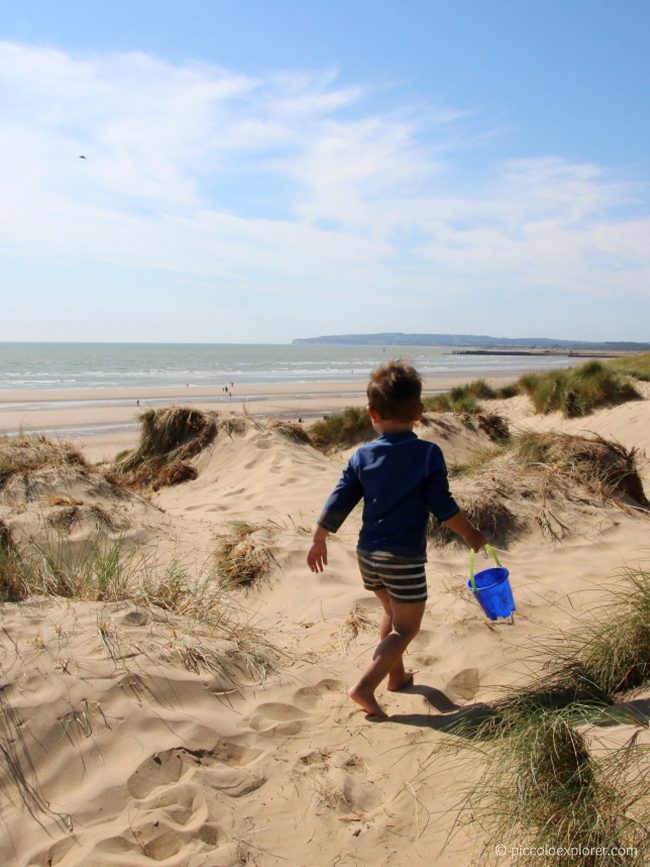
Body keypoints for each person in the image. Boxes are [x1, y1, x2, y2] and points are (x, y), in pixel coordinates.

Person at [306, 359, 487, 717]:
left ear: (372, 412)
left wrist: (319, 536)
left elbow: (340, 498)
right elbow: (443, 506)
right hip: (403, 557)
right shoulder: (427, 455)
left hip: (368, 555)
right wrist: (472, 535)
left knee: (390, 612)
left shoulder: (362, 455)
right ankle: (364, 686)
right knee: (406, 627)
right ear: (419, 412)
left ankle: (397, 675)